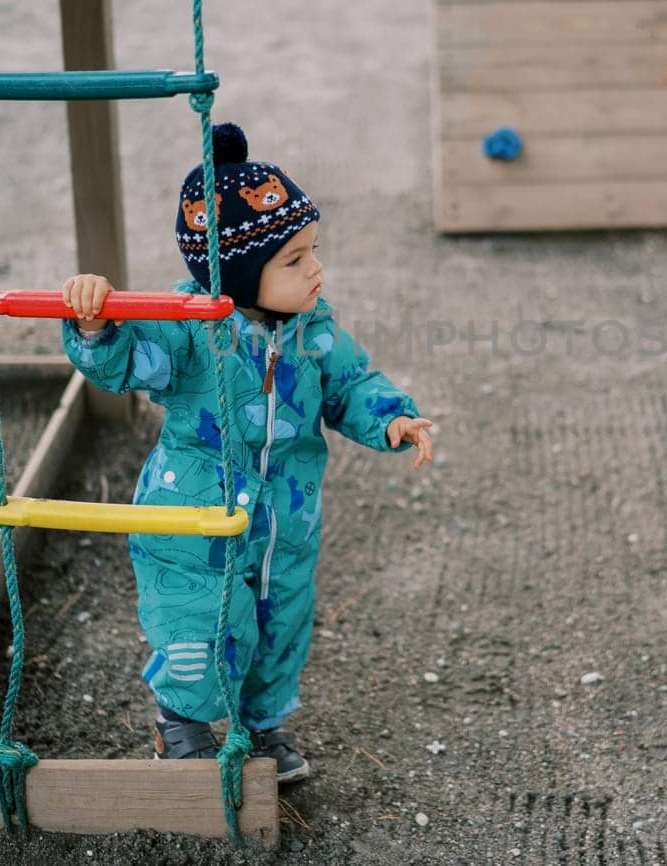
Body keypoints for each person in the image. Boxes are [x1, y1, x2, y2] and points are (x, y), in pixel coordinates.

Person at [60, 121, 434, 782]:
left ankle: (264, 727)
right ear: (233, 271)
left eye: (313, 250)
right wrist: (97, 324)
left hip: (284, 520)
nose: (315, 268)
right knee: (200, 625)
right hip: (195, 520)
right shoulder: (189, 329)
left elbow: (350, 383)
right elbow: (125, 363)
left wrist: (391, 418)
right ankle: (181, 722)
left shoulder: (311, 331)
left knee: (280, 621)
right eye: (293, 260)